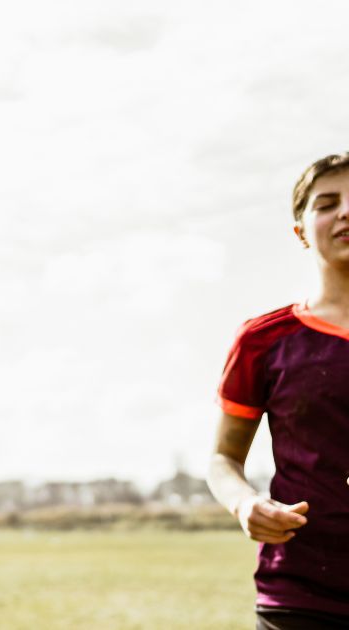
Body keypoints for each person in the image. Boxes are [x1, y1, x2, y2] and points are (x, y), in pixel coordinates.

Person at [207, 151, 349, 629]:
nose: (346, 211)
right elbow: (222, 460)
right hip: (301, 598)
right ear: (301, 232)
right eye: (327, 203)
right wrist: (245, 503)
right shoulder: (263, 341)